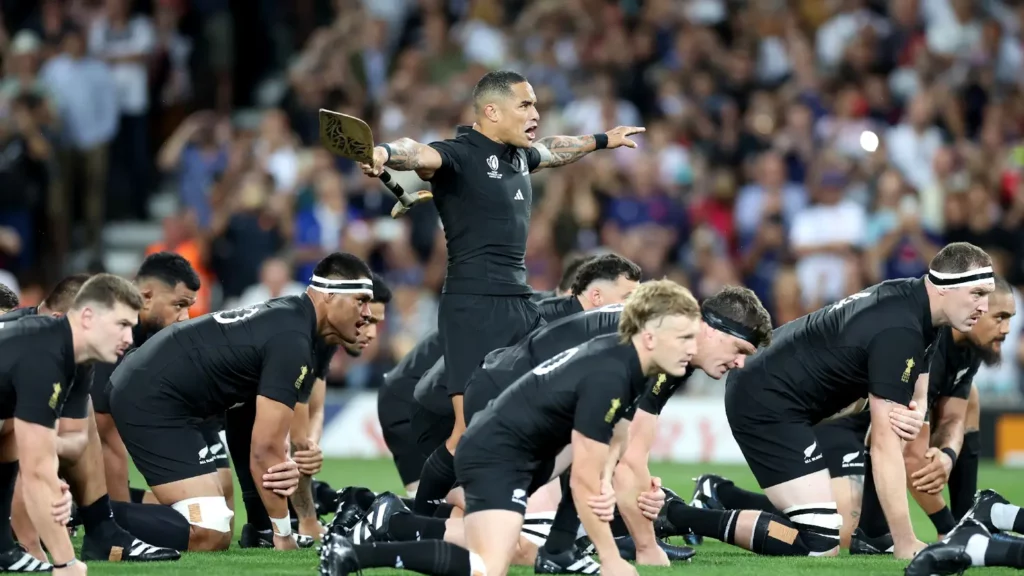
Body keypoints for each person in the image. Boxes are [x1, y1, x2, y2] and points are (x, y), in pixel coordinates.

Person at [360, 69, 645, 527]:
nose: (535, 114)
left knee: (534, 416)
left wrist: (602, 140)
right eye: (525, 105)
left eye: (534, 105)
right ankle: (412, 520)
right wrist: (385, 154)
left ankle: (539, 523)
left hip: (519, 301)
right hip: (474, 306)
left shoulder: (518, 157)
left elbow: (554, 151)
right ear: (491, 111)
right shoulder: (459, 154)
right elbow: (418, 152)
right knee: (466, 432)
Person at [333, 285, 773, 574]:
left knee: (560, 509)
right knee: (517, 547)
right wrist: (641, 549)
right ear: (710, 328)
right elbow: (616, 462)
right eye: (739, 349)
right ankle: (394, 522)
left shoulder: (664, 339)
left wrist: (632, 495)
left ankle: (399, 521)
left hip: (516, 392)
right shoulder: (658, 352)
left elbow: (623, 449)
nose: (739, 364)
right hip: (510, 403)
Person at [670, 242, 994, 560]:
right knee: (820, 541)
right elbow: (884, 444)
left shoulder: (916, 303)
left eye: (987, 294)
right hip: (767, 400)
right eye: (977, 294)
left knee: (824, 526)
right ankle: (678, 516)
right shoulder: (900, 330)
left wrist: (919, 409)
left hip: (784, 393)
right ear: (943, 288)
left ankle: (715, 496)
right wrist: (906, 541)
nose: (985, 306)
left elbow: (921, 370)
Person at [108, 252, 374, 552]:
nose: (367, 314)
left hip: (167, 392)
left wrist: (264, 525)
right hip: (153, 397)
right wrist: (284, 535)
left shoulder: (290, 321)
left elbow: (244, 424)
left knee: (223, 514)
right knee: (210, 532)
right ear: (328, 295)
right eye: (360, 300)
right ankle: (90, 515)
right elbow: (265, 449)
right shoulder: (293, 341)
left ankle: (260, 529)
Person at [410, 254, 642, 516]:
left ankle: (415, 518)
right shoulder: (545, 320)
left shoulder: (574, 323)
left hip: (469, 393)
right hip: (446, 400)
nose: (633, 309)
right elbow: (486, 364)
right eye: (627, 298)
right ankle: (417, 522)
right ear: (598, 297)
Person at [2, 271, 181, 563]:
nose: (129, 338)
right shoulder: (39, 352)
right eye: (122, 325)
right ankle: (16, 547)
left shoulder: (78, 358)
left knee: (48, 429)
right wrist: (56, 561)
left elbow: (73, 439)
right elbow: (29, 464)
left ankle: (101, 527)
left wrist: (47, 453)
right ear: (84, 317)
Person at [849, 276, 1018, 551]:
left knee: (970, 397)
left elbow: (954, 418)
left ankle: (967, 518)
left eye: (1011, 318)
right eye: (1000, 317)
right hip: (848, 429)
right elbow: (909, 456)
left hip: (880, 433)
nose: (1007, 328)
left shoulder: (969, 347)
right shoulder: (928, 349)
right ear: (977, 311)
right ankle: (960, 528)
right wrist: (948, 528)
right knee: (830, 535)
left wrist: (948, 456)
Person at [234, 272, 392, 547]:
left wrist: (312, 442)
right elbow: (297, 436)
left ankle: (269, 524)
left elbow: (311, 408)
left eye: (377, 323)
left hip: (235, 411)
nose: (371, 333)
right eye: (367, 321)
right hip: (205, 410)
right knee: (211, 528)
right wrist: (309, 521)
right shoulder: (304, 338)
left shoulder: (324, 339)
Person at [90, 253, 202, 505]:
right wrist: (120, 525)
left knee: (185, 511)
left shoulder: (146, 331)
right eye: (179, 305)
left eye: (189, 306)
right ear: (146, 297)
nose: (185, 316)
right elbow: (105, 436)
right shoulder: (113, 328)